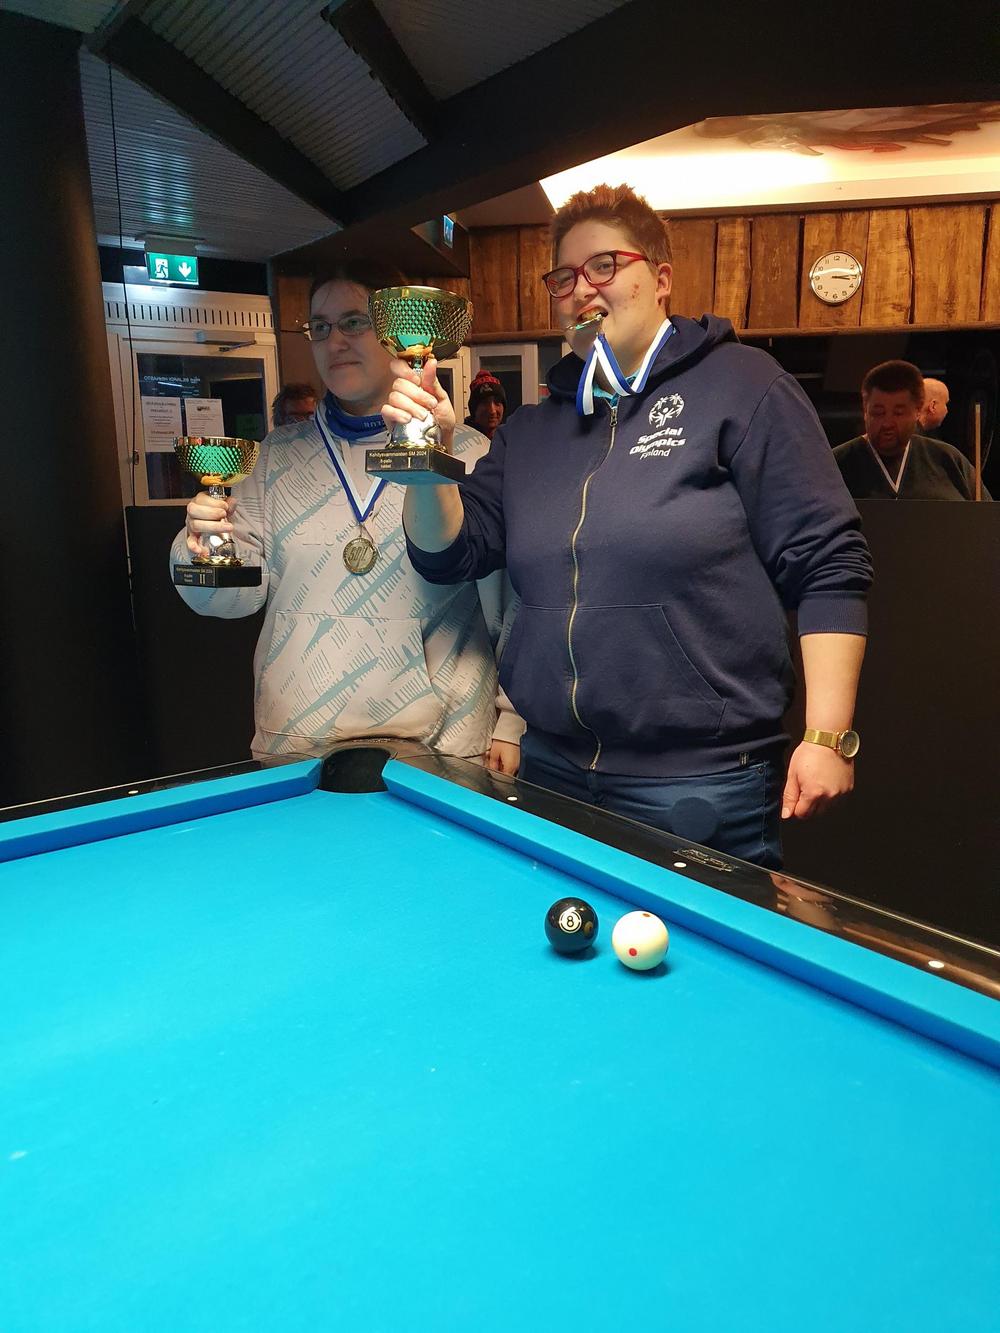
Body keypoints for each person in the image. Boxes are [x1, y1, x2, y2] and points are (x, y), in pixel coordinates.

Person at [388, 184, 873, 870]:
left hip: (699, 781)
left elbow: (828, 563)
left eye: (604, 265)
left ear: (662, 278)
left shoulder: (742, 386)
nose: (582, 288)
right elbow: (449, 556)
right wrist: (428, 459)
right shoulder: (531, 429)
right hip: (551, 769)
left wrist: (828, 735)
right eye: (564, 277)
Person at [172, 261, 523, 771]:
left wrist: (511, 721)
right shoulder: (273, 457)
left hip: (443, 738)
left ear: (395, 327)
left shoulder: (467, 452)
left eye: (354, 322)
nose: (334, 341)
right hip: (299, 734)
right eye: (320, 326)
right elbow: (232, 599)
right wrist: (198, 548)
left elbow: (512, 598)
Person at [834, 361, 989, 500]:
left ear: (917, 411)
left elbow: (988, 519)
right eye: (878, 413)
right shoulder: (834, 465)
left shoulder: (949, 460)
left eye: (898, 413)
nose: (887, 423)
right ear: (865, 411)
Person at [464, 370, 506, 440]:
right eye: (485, 403)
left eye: (497, 402)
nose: (492, 411)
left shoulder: (509, 438)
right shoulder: (461, 439)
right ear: (474, 409)